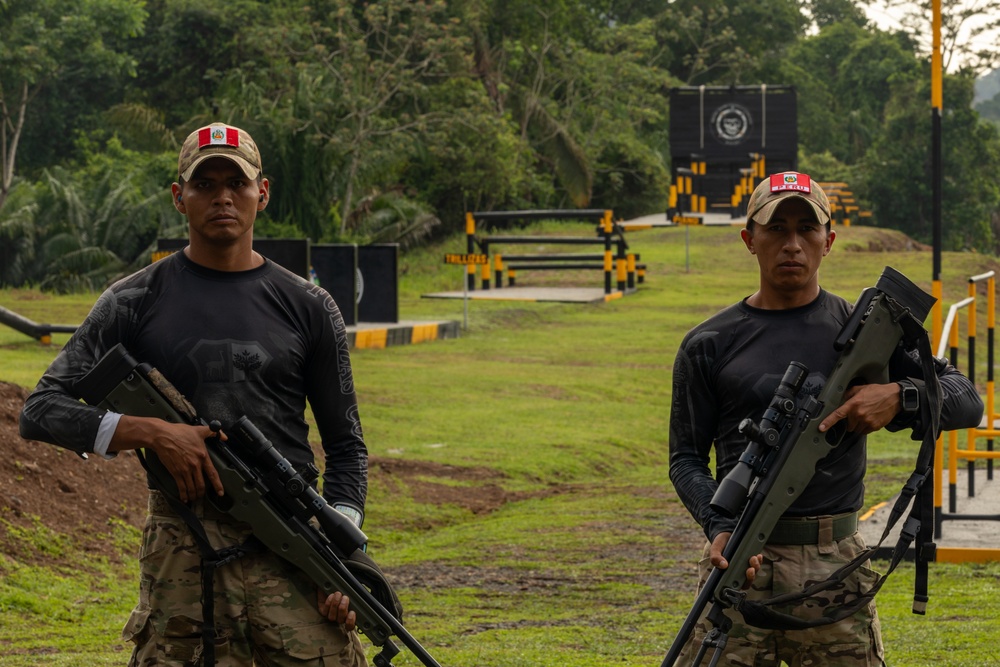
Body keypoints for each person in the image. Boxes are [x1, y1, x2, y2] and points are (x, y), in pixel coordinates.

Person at [20, 123, 370, 666]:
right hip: (182, 552)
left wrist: (341, 546)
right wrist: (151, 432)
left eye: (237, 182)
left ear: (263, 193)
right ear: (179, 196)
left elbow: (346, 447)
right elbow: (41, 409)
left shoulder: (310, 305)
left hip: (294, 542)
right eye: (204, 183)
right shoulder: (132, 301)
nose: (223, 196)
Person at [667, 171, 984, 666]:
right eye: (776, 229)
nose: (792, 244)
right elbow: (686, 459)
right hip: (741, 561)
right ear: (749, 240)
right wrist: (719, 524)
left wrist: (899, 398)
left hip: (836, 567)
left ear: (828, 240)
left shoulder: (868, 333)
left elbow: (967, 399)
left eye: (806, 229)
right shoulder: (707, 344)